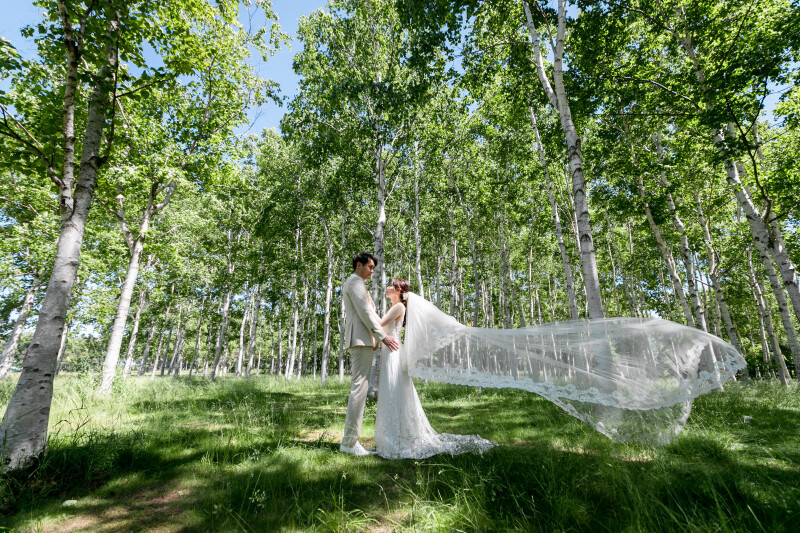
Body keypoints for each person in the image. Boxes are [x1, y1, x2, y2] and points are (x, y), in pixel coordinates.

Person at [374, 278, 496, 459]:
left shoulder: (398, 306)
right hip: (389, 351)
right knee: (392, 390)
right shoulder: (395, 306)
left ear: (399, 290)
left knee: (393, 390)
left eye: (391, 285)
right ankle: (394, 435)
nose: (388, 287)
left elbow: (379, 324)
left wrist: (368, 307)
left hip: (393, 353)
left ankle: (395, 437)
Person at [340, 253, 399, 456]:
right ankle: (349, 443)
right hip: (359, 339)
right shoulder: (354, 282)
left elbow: (370, 313)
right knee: (359, 389)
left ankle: (351, 441)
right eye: (370, 267)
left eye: (374, 268)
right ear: (359, 265)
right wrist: (382, 336)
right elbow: (365, 313)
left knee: (360, 388)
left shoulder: (358, 283)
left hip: (363, 339)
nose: (372, 271)